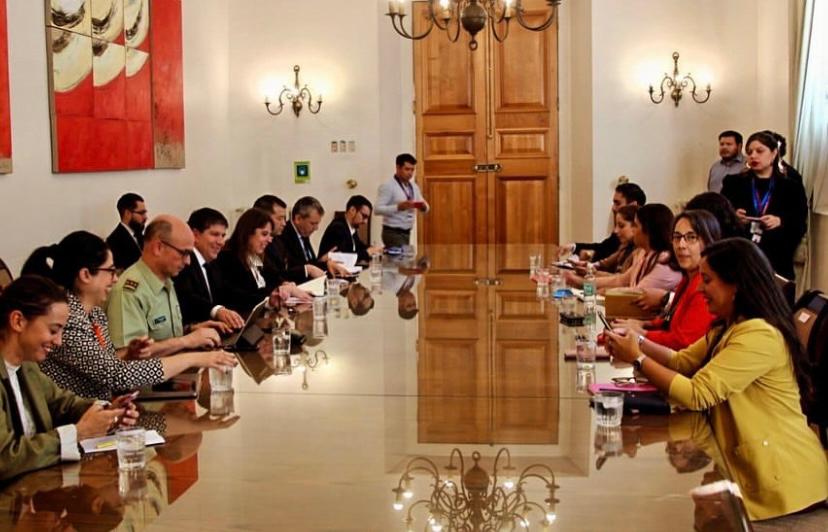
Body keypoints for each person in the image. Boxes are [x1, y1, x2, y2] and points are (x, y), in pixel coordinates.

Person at [606, 238, 828, 521]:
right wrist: (637, 341)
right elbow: (682, 361)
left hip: (782, 481)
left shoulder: (759, 335)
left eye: (708, 280)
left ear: (735, 285)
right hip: (752, 467)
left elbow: (697, 395)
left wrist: (637, 358)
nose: (700, 288)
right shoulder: (730, 325)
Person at [21, 232, 237, 401]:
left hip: (110, 408)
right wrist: (196, 358)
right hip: (84, 420)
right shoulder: (67, 321)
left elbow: (107, 362)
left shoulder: (94, 314)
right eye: (110, 271)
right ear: (85, 275)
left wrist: (129, 354)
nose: (115, 279)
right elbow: (116, 375)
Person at [0, 276, 140, 481]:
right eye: (53, 330)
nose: (58, 341)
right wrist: (78, 434)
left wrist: (107, 413)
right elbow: (5, 458)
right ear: (18, 321)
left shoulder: (28, 366)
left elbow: (63, 405)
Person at [106, 215, 227, 356]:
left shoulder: (166, 280)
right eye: (184, 253)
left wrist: (190, 330)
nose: (188, 261)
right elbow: (127, 356)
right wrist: (186, 341)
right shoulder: (129, 292)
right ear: (158, 247)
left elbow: (161, 336)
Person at [614, 210, 720, 350]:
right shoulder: (688, 279)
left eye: (691, 237)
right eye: (677, 237)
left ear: (709, 242)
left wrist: (641, 333)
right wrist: (643, 324)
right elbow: (669, 320)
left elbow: (683, 342)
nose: (681, 245)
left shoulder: (705, 285)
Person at [722, 131, 808, 279]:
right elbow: (719, 215)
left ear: (774, 154)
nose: (753, 156)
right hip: (741, 255)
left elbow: (799, 221)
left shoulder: (791, 187)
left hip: (776, 257)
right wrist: (733, 216)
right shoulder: (733, 183)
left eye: (759, 151)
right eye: (750, 152)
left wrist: (780, 221)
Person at [565, 203, 682, 293]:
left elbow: (634, 295)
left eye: (635, 225)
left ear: (648, 231)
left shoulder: (664, 263)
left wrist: (586, 286)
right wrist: (581, 283)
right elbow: (620, 280)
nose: (633, 230)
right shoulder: (643, 253)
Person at [213, 208, 310, 314]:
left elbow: (272, 277)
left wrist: (286, 285)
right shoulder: (228, 258)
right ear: (248, 232)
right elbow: (240, 296)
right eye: (264, 234)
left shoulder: (254, 256)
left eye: (270, 235)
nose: (269, 240)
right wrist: (270, 299)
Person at [173, 208, 244, 329]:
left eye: (223, 235)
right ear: (195, 235)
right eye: (215, 234)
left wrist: (266, 300)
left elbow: (229, 292)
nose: (221, 242)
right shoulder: (183, 262)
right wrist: (216, 310)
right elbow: (187, 298)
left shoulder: (213, 263)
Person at [569, 182, 647, 262]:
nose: (613, 208)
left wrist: (592, 257)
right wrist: (575, 247)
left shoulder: (643, 248)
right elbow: (604, 250)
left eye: (617, 203)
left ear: (633, 205)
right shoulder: (623, 241)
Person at [279, 196, 350, 281]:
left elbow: (309, 264)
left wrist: (324, 262)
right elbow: (289, 271)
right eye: (313, 224)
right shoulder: (283, 235)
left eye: (317, 224)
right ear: (298, 219)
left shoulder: (303, 233)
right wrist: (312, 267)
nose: (316, 228)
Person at [375, 153, 429, 248]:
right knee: (401, 257)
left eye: (412, 170)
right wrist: (398, 207)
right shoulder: (388, 186)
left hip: (407, 232)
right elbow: (377, 209)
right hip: (392, 232)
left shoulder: (413, 186)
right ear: (398, 168)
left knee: (404, 257)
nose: (410, 173)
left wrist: (424, 207)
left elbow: (425, 206)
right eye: (407, 169)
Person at [319, 195, 382, 263]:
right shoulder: (338, 227)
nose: (365, 222)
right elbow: (345, 256)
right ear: (352, 210)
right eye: (364, 216)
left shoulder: (351, 227)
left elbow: (359, 246)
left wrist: (374, 249)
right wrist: (366, 253)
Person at [106, 193, 148, 271]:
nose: (145, 217)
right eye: (141, 213)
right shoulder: (113, 242)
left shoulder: (142, 236)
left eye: (145, 213)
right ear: (127, 213)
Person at [592, 205, 638, 274]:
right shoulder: (624, 247)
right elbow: (604, 264)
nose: (615, 230)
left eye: (621, 226)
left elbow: (621, 278)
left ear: (636, 226)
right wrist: (587, 266)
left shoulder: (639, 253)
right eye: (616, 225)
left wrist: (592, 273)